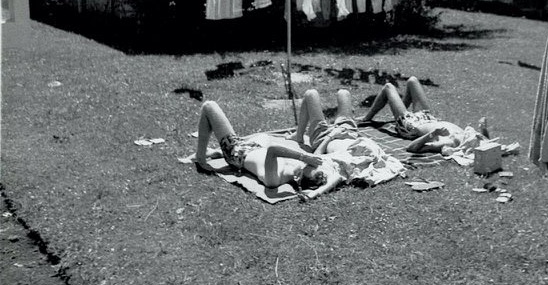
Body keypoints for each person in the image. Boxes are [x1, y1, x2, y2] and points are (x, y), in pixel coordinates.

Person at [195, 100, 341, 200]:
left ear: (298, 177)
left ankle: (201, 158)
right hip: (256, 147)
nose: (309, 163)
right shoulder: (302, 172)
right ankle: (217, 152)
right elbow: (335, 176)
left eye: (308, 166)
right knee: (264, 136)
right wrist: (330, 137)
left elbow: (273, 150)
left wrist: (304, 157)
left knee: (209, 106)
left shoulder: (274, 179)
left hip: (237, 152)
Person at [360, 76, 489, 154]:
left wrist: (432, 134)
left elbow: (411, 148)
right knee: (412, 80)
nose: (475, 137)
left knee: (388, 87)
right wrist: (484, 129)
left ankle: (366, 119)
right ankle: (400, 110)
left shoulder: (449, 143)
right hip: (428, 117)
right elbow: (486, 143)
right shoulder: (469, 137)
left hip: (411, 125)